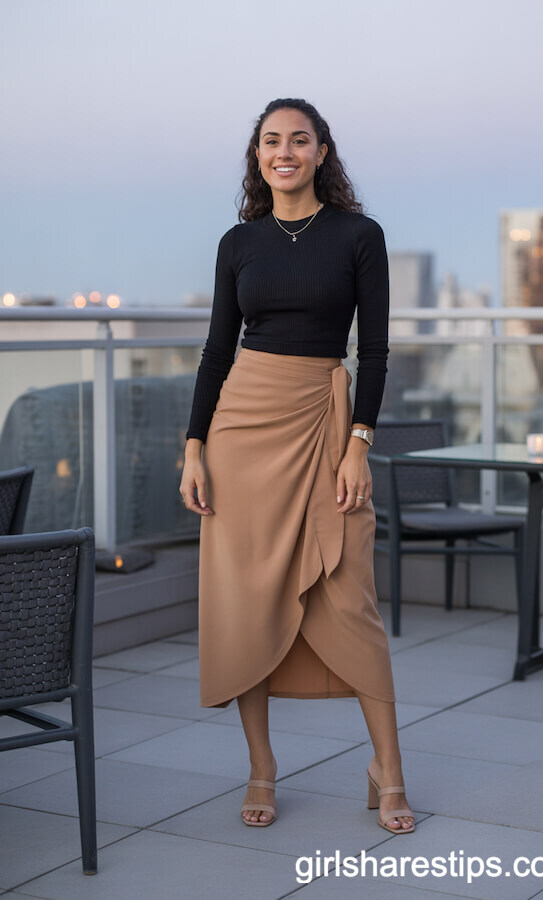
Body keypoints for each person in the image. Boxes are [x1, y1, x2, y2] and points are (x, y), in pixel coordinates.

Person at [180, 98, 414, 835]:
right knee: (248, 597)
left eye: (299, 140)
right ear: (258, 155)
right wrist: (194, 447)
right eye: (271, 140)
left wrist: (358, 444)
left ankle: (389, 770)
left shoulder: (359, 235)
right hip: (241, 429)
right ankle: (261, 767)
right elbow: (217, 351)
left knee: (350, 595)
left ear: (321, 152)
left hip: (324, 421)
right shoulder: (238, 242)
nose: (284, 151)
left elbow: (374, 350)